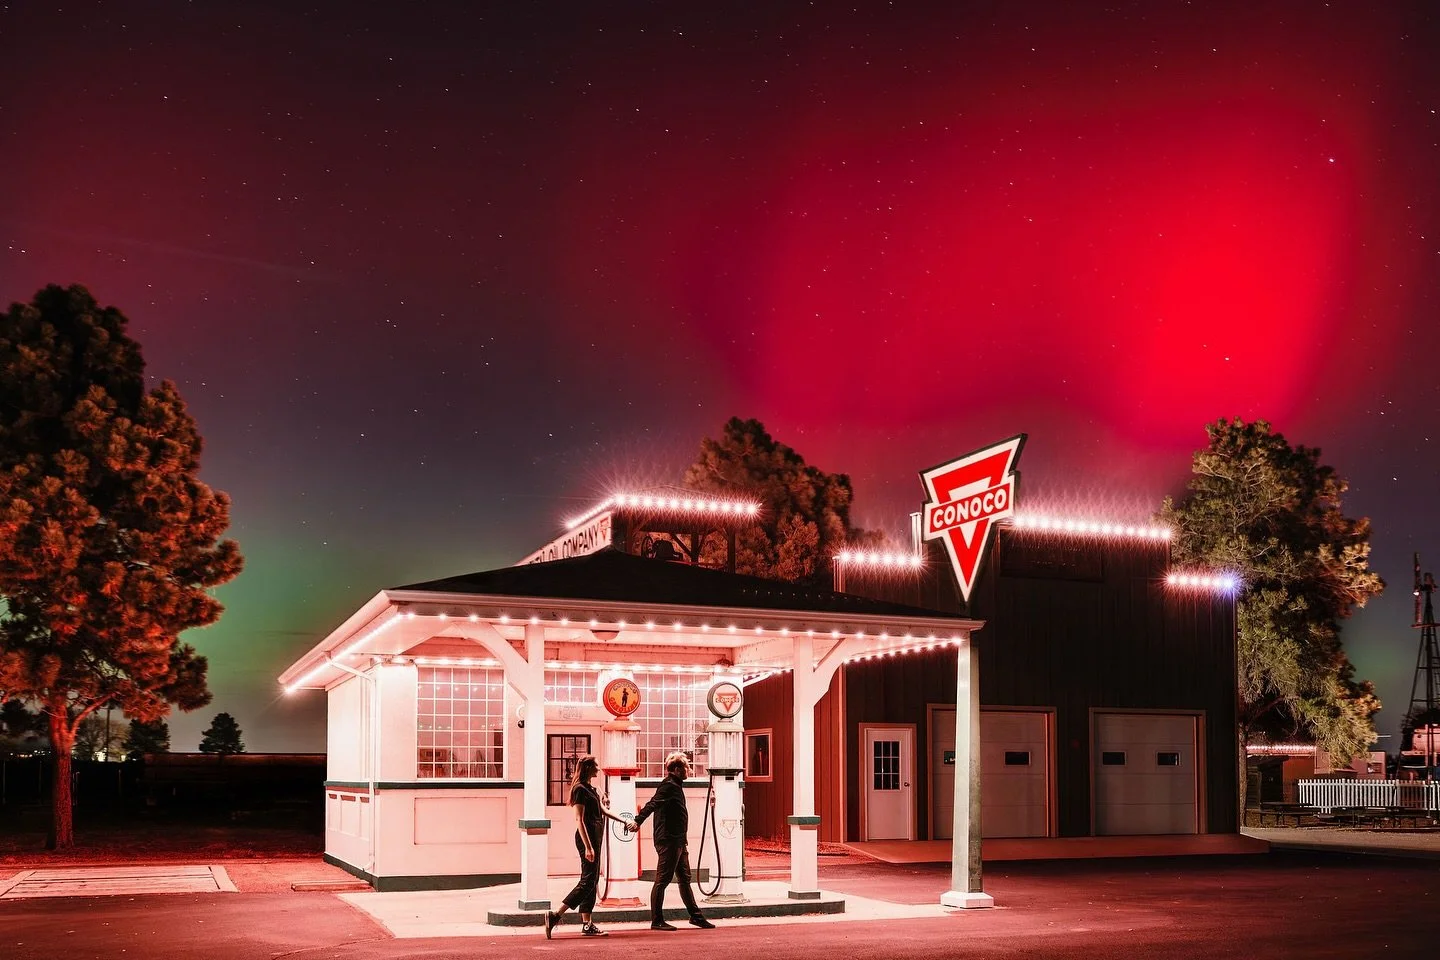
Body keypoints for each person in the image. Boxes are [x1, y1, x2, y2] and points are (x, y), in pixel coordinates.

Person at [626, 751, 716, 931]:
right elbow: (652, 804)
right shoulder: (669, 786)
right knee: (662, 880)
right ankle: (657, 920)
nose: (689, 770)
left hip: (678, 841)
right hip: (669, 840)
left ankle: (695, 917)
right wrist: (637, 821)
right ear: (676, 769)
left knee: (684, 878)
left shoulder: (675, 785)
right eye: (686, 767)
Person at [545, 755, 628, 939]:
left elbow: (603, 811)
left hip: (595, 838)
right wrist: (588, 847)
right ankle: (555, 915)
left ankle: (587, 923)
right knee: (588, 881)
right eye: (595, 766)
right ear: (588, 768)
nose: (598, 769)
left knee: (591, 881)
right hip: (587, 839)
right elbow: (579, 819)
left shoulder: (591, 789)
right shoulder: (579, 789)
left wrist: (624, 820)